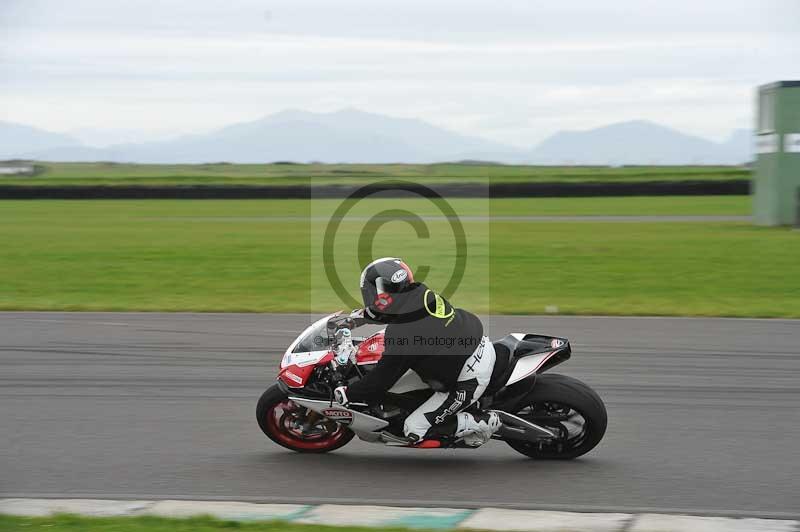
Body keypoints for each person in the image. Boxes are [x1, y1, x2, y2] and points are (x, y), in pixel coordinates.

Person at [332, 257, 501, 447]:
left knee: (413, 428)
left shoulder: (403, 333)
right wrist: (357, 319)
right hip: (474, 344)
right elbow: (392, 309)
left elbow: (380, 380)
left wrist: (349, 394)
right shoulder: (419, 292)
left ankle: (481, 422)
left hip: (469, 377)